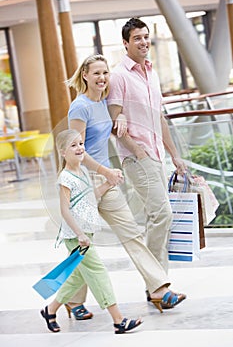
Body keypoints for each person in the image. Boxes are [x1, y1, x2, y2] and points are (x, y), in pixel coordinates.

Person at [65, 54, 186, 316]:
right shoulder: (80, 107)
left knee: (131, 233)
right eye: (96, 73)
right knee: (85, 243)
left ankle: (158, 289)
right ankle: (73, 301)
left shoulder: (103, 102)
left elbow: (109, 124)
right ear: (84, 75)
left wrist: (118, 122)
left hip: (107, 180)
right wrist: (105, 171)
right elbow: (75, 150)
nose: (102, 78)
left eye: (105, 73)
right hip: (84, 181)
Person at [107, 17, 187, 294]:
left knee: (160, 216)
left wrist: (174, 154)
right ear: (125, 43)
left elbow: (159, 118)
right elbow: (114, 123)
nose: (143, 42)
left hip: (156, 155)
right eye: (136, 38)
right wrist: (139, 151)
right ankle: (156, 285)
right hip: (136, 157)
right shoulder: (118, 76)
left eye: (145, 36)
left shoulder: (151, 72)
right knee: (161, 214)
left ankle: (157, 284)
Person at [40, 129, 142, 334]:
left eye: (80, 144)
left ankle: (50, 310)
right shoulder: (66, 178)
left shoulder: (83, 171)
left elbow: (88, 199)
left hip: (86, 234)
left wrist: (108, 183)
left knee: (78, 277)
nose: (79, 148)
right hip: (76, 237)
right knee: (98, 272)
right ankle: (118, 320)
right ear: (62, 151)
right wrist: (79, 234)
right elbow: (64, 209)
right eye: (73, 145)